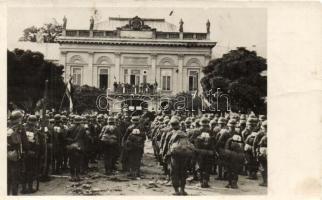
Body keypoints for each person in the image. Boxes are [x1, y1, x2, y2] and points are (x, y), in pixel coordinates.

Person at [167, 118, 195, 195]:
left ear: (171, 125)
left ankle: (176, 190)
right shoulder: (184, 133)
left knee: (174, 172)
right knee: (183, 172)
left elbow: (166, 144)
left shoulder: (170, 133)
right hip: (184, 155)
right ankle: (182, 189)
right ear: (178, 125)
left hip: (174, 155)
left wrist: (165, 155)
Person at [7, 111, 28, 195]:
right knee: (15, 177)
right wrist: (26, 150)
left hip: (6, 154)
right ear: (19, 118)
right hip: (16, 155)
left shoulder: (6, 125)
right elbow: (25, 142)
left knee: (7, 177)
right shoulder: (20, 127)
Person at [21, 115, 43, 194]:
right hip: (31, 153)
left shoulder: (22, 129)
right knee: (30, 170)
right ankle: (29, 188)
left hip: (23, 153)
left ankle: (24, 188)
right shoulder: (35, 131)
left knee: (24, 171)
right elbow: (37, 143)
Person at [223, 119, 244, 189]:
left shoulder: (238, 134)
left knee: (235, 169)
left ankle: (234, 182)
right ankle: (229, 182)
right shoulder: (225, 134)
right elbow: (219, 144)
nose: (232, 128)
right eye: (231, 126)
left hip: (236, 155)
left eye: (233, 126)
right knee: (228, 169)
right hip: (228, 154)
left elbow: (242, 144)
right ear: (228, 126)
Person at [65, 116, 86, 182]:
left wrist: (71, 141)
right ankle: (77, 176)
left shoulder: (70, 128)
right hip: (80, 147)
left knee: (71, 161)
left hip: (71, 146)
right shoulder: (83, 128)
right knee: (78, 161)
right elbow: (85, 138)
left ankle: (72, 176)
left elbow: (66, 138)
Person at [254, 120, 267, 186]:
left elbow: (257, 144)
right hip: (264, 153)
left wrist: (257, 152)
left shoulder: (264, 136)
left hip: (263, 153)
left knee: (263, 167)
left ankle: (265, 181)